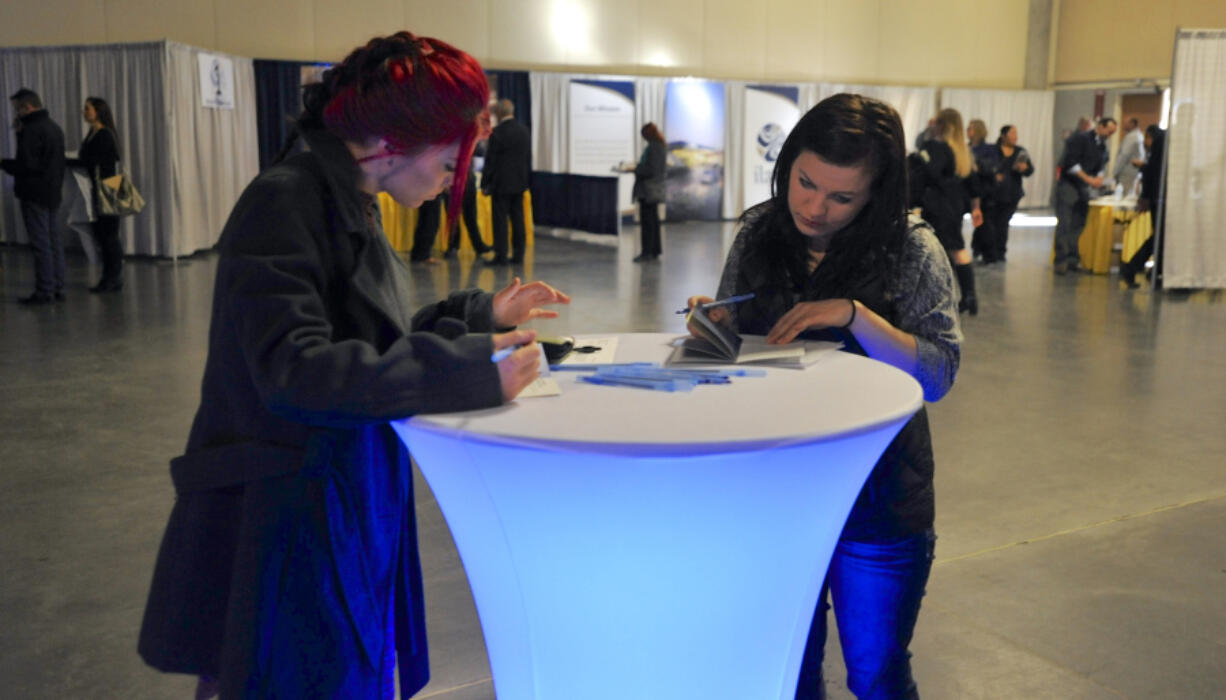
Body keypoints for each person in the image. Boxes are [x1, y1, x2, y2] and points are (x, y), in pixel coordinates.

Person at [136, 32, 570, 699]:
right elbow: (298, 369)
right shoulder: (287, 201)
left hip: (332, 500)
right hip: (287, 521)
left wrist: (478, 318)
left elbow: (366, 342)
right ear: (395, 140)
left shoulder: (345, 197)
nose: (458, 170)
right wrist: (468, 371)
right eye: (454, 153)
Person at [686, 93, 961, 700]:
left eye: (842, 198)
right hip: (775, 492)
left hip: (880, 498)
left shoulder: (911, 249)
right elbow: (728, 344)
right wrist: (712, 329)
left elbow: (939, 372)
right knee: (787, 674)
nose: (814, 207)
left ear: (876, 194)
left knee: (878, 674)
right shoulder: (759, 232)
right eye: (805, 184)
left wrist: (857, 316)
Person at [915, 108, 983, 314]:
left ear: (941, 124)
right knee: (955, 249)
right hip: (954, 207)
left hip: (939, 206)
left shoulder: (936, 148)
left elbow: (930, 174)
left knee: (946, 250)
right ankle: (968, 295)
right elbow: (973, 184)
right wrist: (976, 208)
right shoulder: (962, 151)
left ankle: (946, 297)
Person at [1, 88, 66, 304]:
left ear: (27, 107)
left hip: (34, 193)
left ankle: (44, 290)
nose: (16, 114)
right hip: (52, 192)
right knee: (53, 241)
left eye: (17, 109)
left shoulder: (31, 130)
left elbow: (27, 165)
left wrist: (5, 164)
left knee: (40, 244)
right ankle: (58, 286)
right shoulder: (54, 128)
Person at [66, 96, 124, 291]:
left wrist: (64, 161)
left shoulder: (104, 134)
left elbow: (91, 161)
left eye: (88, 109)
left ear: (98, 111)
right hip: (99, 187)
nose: (84, 112)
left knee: (108, 235)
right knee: (103, 234)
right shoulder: (94, 133)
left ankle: (112, 278)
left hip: (107, 187)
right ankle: (110, 277)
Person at [1053, 117, 1116, 275]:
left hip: (1083, 188)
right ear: (1100, 126)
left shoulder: (1102, 145)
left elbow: (1101, 164)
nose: (1110, 135)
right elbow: (1071, 163)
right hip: (1069, 185)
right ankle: (1061, 260)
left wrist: (1099, 177)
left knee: (1079, 223)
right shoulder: (1079, 139)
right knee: (1065, 223)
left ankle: (1073, 260)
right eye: (1109, 131)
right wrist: (1088, 179)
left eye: (1113, 133)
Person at [482, 98, 531, 265]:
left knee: (500, 221)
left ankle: (501, 255)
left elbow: (491, 162)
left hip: (501, 184)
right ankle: (519, 255)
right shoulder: (524, 131)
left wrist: (485, 183)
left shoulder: (497, 133)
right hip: (519, 183)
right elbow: (527, 158)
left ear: (499, 112)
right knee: (518, 220)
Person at [976, 125, 1034, 264]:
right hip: (992, 194)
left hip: (1011, 194)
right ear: (1003, 136)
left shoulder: (1021, 151)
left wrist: (1024, 168)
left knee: (1003, 224)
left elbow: (1030, 170)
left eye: (1016, 134)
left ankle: (1000, 252)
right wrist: (993, 174)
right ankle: (987, 252)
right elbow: (983, 167)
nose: (1015, 136)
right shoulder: (992, 150)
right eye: (1012, 133)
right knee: (989, 224)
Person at [1119, 125, 1164, 288]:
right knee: (1160, 237)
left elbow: (1152, 171)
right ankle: (1134, 268)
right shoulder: (1162, 142)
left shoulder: (1161, 142)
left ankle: (1149, 270)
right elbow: (1154, 171)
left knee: (1160, 237)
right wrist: (1145, 197)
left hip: (1157, 197)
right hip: (1159, 198)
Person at [441, 160, 492, 258]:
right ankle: (453, 246)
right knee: (454, 217)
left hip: (467, 179)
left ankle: (478, 245)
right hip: (453, 181)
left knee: (471, 217)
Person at [632, 122, 667, 262]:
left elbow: (650, 170)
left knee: (648, 223)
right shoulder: (659, 146)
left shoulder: (653, 148)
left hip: (648, 191)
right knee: (653, 221)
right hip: (653, 190)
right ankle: (654, 250)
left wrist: (636, 169)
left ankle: (647, 252)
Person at [1113, 117, 1144, 196]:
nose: (1123, 125)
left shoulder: (1132, 137)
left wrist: (1115, 171)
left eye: (1125, 123)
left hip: (1127, 174)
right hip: (1134, 174)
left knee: (1124, 197)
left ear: (1132, 124)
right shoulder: (1139, 135)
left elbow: (1124, 155)